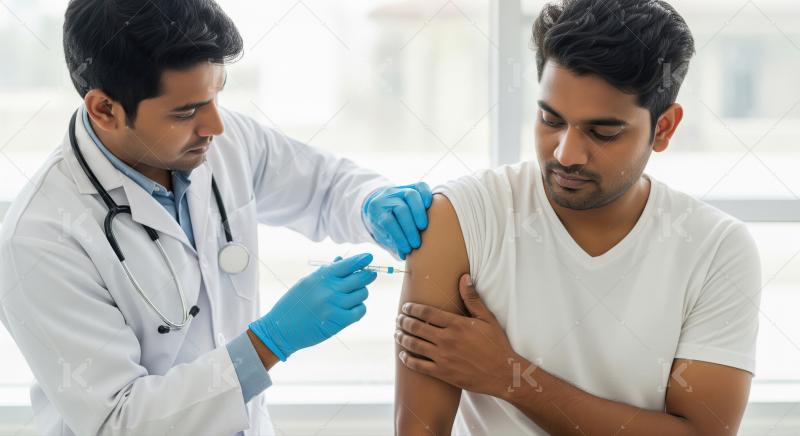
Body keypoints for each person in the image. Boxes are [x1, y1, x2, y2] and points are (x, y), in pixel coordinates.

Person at [0, 1, 432, 435]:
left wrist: (369, 202)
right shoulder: (40, 239)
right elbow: (120, 422)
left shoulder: (219, 142)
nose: (216, 125)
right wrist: (268, 343)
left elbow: (323, 186)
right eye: (186, 111)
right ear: (105, 110)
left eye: (216, 94)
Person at [394, 1, 760, 434]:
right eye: (551, 120)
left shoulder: (717, 250)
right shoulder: (460, 218)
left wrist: (512, 377)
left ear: (663, 129)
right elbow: (420, 429)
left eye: (603, 132)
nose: (566, 154)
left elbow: (701, 433)